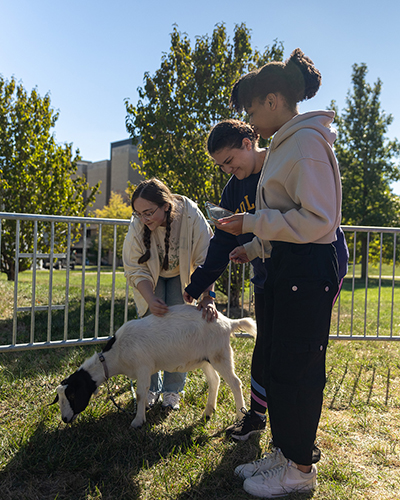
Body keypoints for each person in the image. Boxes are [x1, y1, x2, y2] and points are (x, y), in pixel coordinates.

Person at [216, 49, 343, 498]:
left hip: (307, 271)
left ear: (272, 100)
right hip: (292, 267)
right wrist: (253, 245)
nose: (249, 120)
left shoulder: (304, 144)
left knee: (297, 371)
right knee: (281, 366)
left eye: (251, 110)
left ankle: (299, 471)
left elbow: (318, 221)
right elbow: (288, 218)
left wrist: (252, 225)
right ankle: (286, 454)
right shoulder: (288, 143)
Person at [184, 119, 349, 444]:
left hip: (309, 273)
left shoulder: (280, 167)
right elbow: (222, 241)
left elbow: (306, 221)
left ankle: (294, 444)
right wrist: (197, 284)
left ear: (249, 143)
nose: (228, 170)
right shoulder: (234, 188)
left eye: (230, 161)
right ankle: (259, 417)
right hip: (270, 275)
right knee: (266, 346)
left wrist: (255, 240)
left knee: (295, 353)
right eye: (221, 166)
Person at [122, 178, 213, 411]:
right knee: (149, 328)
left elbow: (208, 257)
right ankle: (149, 387)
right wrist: (151, 300)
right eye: (139, 214)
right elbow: (134, 267)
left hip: (181, 274)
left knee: (177, 331)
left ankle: (172, 391)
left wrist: (207, 297)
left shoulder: (190, 214)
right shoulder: (138, 224)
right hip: (150, 276)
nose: (144, 219)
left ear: (165, 205)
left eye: (149, 212)